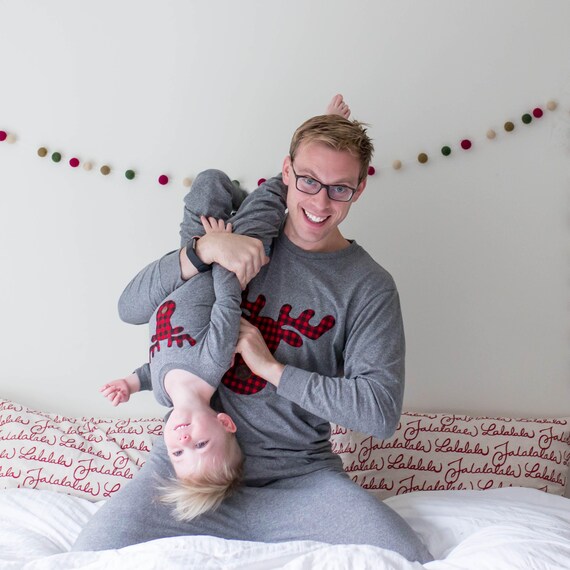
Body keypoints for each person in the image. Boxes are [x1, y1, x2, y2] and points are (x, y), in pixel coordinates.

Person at [73, 95, 433, 563]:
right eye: (308, 181)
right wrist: (203, 250)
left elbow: (380, 413)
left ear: (359, 189)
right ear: (286, 171)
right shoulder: (243, 235)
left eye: (339, 188)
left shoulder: (368, 287)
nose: (320, 202)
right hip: (194, 478)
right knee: (89, 554)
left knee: (407, 557)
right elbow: (132, 306)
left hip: (300, 481)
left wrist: (272, 368)